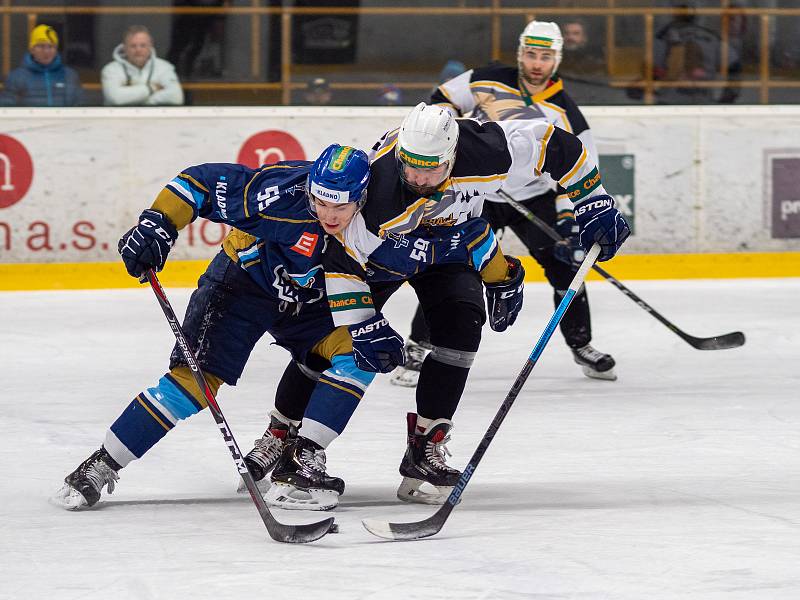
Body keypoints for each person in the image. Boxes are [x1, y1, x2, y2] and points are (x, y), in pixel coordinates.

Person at [251, 102, 629, 506]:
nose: (418, 178)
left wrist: (593, 198)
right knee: (334, 341)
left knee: (462, 328)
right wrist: (361, 323)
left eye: (431, 168)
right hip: (382, 258)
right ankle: (284, 436)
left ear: (453, 155)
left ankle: (424, 450)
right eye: (410, 166)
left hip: (447, 250)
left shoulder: (485, 150)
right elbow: (342, 262)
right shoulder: (378, 192)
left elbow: (557, 145)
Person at [52, 145, 405, 512]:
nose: (328, 215)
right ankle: (100, 464)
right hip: (241, 286)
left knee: (360, 352)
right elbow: (199, 183)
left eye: (340, 206)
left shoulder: (382, 220)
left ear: (362, 198)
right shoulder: (280, 194)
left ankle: (298, 458)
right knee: (194, 383)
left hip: (309, 304)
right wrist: (158, 222)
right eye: (320, 202)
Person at [391, 21, 619, 389]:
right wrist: (463, 129)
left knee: (566, 267)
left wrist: (568, 221)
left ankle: (582, 344)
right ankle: (420, 344)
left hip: (534, 196)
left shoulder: (567, 113)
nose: (536, 63)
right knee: (451, 262)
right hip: (477, 192)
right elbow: (438, 103)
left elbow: (579, 167)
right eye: (530, 53)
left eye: (545, 56)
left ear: (557, 59)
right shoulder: (487, 78)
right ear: (520, 53)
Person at [0, 24, 83, 107]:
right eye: (41, 46)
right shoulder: (16, 77)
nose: (46, 51)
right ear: (32, 49)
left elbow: (80, 107)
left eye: (51, 46)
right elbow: (7, 109)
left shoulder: (69, 76)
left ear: (56, 50)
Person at [101, 25, 184, 106]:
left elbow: (176, 97)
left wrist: (146, 103)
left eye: (143, 45)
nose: (138, 50)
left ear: (150, 46)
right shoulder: (110, 70)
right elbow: (116, 98)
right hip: (118, 119)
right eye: (133, 46)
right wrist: (151, 88)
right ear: (124, 48)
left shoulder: (164, 68)